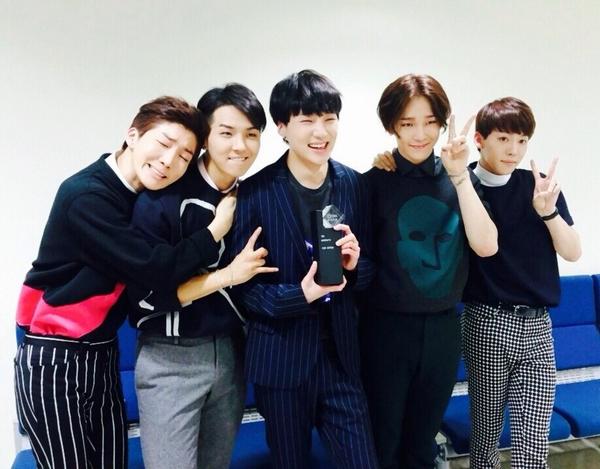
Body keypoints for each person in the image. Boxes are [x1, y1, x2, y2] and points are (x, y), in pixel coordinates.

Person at [13, 96, 236, 469]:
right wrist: (215, 231)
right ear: (132, 135)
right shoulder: (86, 195)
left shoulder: (142, 197)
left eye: (184, 156)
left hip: (102, 352)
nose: (169, 160)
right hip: (54, 358)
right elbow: (154, 268)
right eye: (164, 143)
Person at [231, 69, 379, 469]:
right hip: (281, 360)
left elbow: (370, 268)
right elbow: (243, 288)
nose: (320, 131)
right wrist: (301, 295)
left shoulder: (354, 184)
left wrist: (354, 267)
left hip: (341, 358)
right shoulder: (254, 192)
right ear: (282, 127)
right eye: (307, 120)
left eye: (329, 119)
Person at [129, 84, 277, 469]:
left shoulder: (253, 196)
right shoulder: (162, 197)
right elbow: (144, 298)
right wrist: (228, 274)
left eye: (251, 135)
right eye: (227, 133)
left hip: (230, 354)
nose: (240, 146)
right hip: (170, 358)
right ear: (205, 138)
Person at [363, 74, 498, 469]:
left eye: (430, 122)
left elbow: (486, 246)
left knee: (423, 442)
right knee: (383, 440)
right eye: (407, 123)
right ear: (392, 125)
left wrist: (459, 176)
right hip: (384, 328)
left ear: (442, 123)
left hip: (443, 326)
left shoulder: (461, 180)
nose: (420, 134)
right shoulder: (371, 183)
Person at [461, 97, 581, 468]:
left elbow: (573, 251)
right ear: (480, 139)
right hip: (487, 321)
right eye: (503, 139)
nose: (514, 150)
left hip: (538, 325)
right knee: (485, 440)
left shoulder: (537, 187)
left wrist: (549, 213)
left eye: (522, 140)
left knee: (533, 446)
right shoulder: (463, 185)